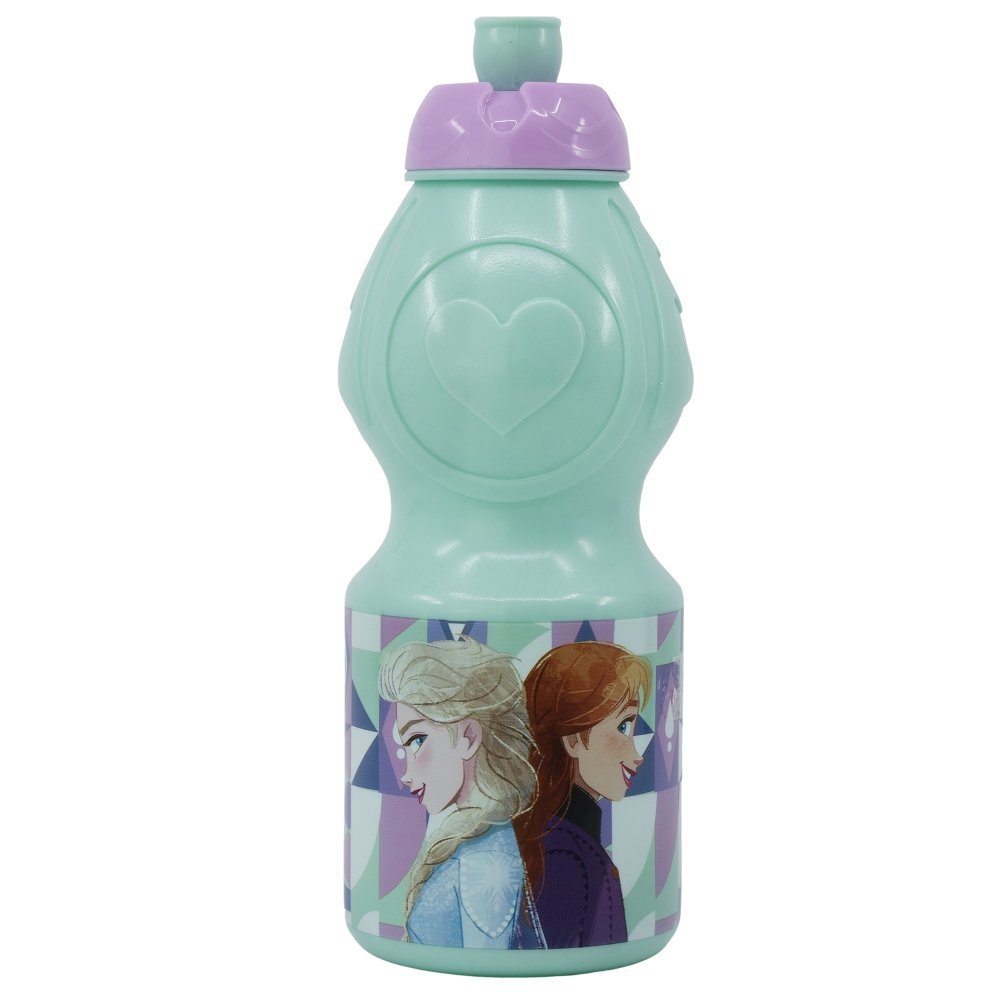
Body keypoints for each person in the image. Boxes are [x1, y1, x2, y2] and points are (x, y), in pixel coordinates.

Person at [378, 635, 543, 948]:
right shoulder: (481, 843)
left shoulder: (485, 858)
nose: (406, 775)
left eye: (417, 740)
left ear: (468, 736)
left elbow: (490, 964)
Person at [513, 641, 652, 948]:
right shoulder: (567, 857)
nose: (637, 755)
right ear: (574, 740)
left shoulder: (556, 842)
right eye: (623, 726)